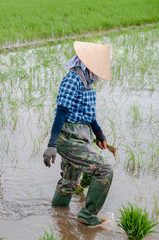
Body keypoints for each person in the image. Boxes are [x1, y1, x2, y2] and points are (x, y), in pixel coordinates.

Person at [43, 41, 114, 226]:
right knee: (105, 170)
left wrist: (99, 134)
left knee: (69, 181)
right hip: (69, 137)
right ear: (88, 64)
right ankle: (88, 215)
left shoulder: (86, 81)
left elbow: (88, 115)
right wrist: (52, 145)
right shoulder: (72, 79)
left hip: (82, 137)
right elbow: (61, 111)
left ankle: (57, 216)